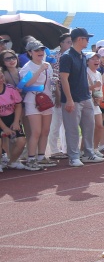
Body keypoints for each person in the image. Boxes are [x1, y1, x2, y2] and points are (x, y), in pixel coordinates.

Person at [60, 28, 104, 167]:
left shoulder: (83, 56)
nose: (88, 41)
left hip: (85, 97)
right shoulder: (67, 57)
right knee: (72, 129)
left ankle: (88, 153)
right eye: (86, 38)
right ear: (80, 39)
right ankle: (73, 157)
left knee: (89, 127)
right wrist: (69, 99)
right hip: (73, 99)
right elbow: (63, 79)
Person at [18, 40, 57, 170]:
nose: (40, 52)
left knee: (45, 130)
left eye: (42, 50)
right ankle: (31, 159)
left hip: (47, 101)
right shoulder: (27, 67)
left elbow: (49, 82)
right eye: (36, 50)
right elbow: (26, 84)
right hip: (33, 100)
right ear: (30, 53)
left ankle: (41, 157)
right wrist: (40, 70)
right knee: (36, 132)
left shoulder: (48, 65)